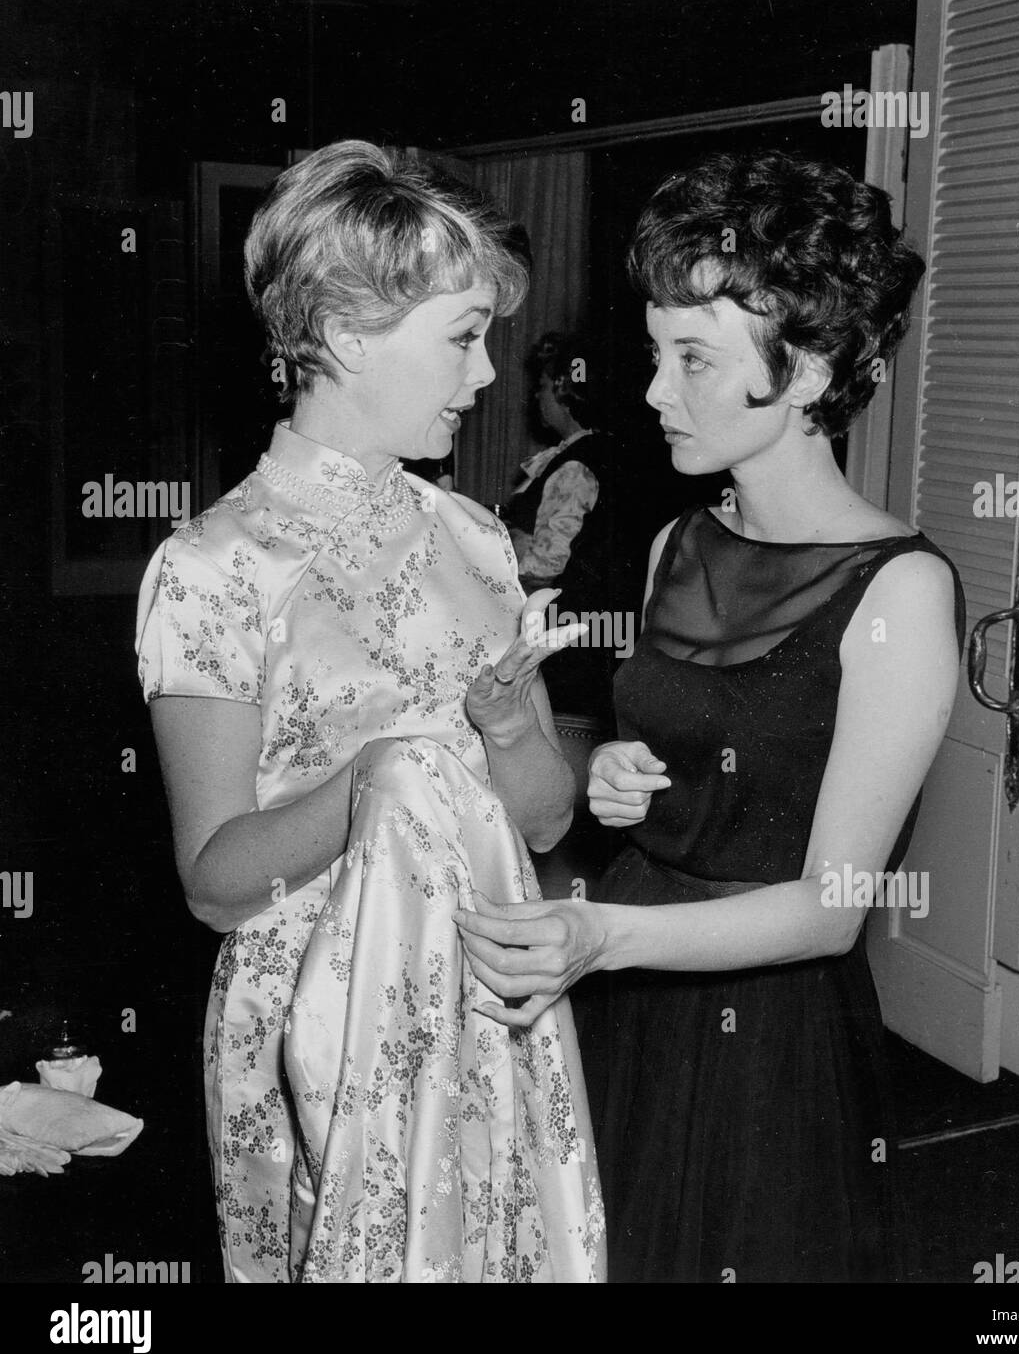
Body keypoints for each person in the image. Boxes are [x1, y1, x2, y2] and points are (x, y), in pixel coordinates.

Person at [453, 150, 966, 1282]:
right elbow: (686, 758)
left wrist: (597, 936)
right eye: (655, 355)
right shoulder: (676, 546)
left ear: (811, 369)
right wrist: (622, 776)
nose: (651, 392)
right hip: (625, 1001)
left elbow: (831, 910)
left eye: (694, 359)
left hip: (763, 1043)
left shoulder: (901, 591)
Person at [135, 141, 604, 1283]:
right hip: (316, 1035)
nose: (488, 372)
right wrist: (379, 777)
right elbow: (211, 880)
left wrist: (501, 732)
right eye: (461, 335)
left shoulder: (478, 541)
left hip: (488, 998)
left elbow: (543, 829)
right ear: (348, 336)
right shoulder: (212, 567)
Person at [500, 333, 621, 722]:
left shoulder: (575, 465)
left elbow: (547, 564)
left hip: (564, 640)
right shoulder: (580, 453)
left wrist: (503, 548)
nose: (537, 397)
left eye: (542, 387)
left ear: (564, 390)